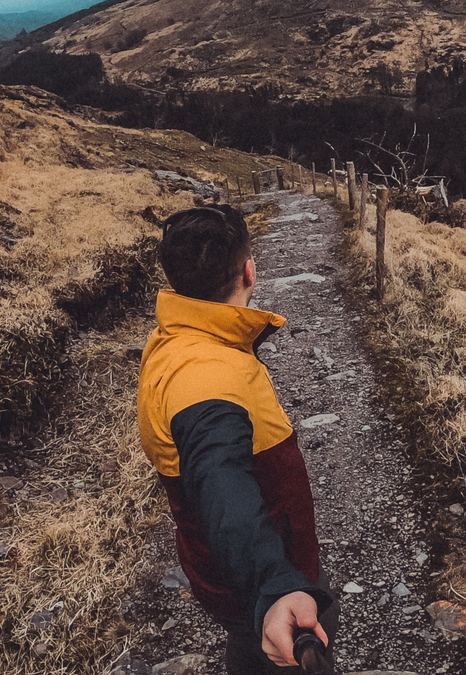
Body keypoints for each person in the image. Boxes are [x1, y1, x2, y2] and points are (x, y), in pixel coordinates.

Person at [137, 204, 337, 672]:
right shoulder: (206, 377)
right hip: (262, 567)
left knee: (247, 646)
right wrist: (276, 585)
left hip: (220, 563)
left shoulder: (176, 340)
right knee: (279, 646)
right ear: (249, 270)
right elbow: (219, 478)